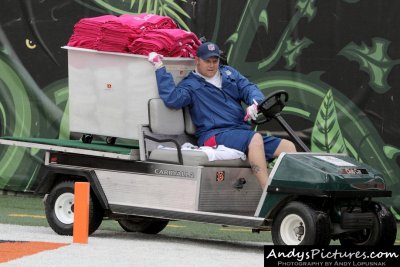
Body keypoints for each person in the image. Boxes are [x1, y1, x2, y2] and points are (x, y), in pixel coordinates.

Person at [148, 42, 296, 189]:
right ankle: (268, 193)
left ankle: (291, 194)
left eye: (215, 61)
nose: (211, 65)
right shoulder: (190, 85)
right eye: (207, 61)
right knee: (255, 139)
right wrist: (160, 68)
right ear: (197, 60)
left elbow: (249, 88)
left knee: (288, 147)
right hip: (213, 134)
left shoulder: (229, 73)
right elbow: (173, 99)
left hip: (239, 132)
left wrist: (255, 103)